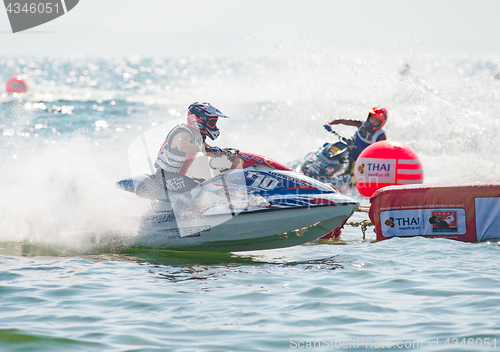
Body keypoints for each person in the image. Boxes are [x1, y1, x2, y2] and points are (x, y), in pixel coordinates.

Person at [151, 101, 228, 205]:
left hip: (175, 177)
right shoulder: (184, 133)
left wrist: (224, 153)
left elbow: (208, 151)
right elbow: (183, 146)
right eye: (212, 123)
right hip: (164, 178)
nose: (214, 126)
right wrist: (204, 150)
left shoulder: (198, 136)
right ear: (198, 121)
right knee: (196, 187)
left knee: (206, 183)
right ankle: (185, 214)